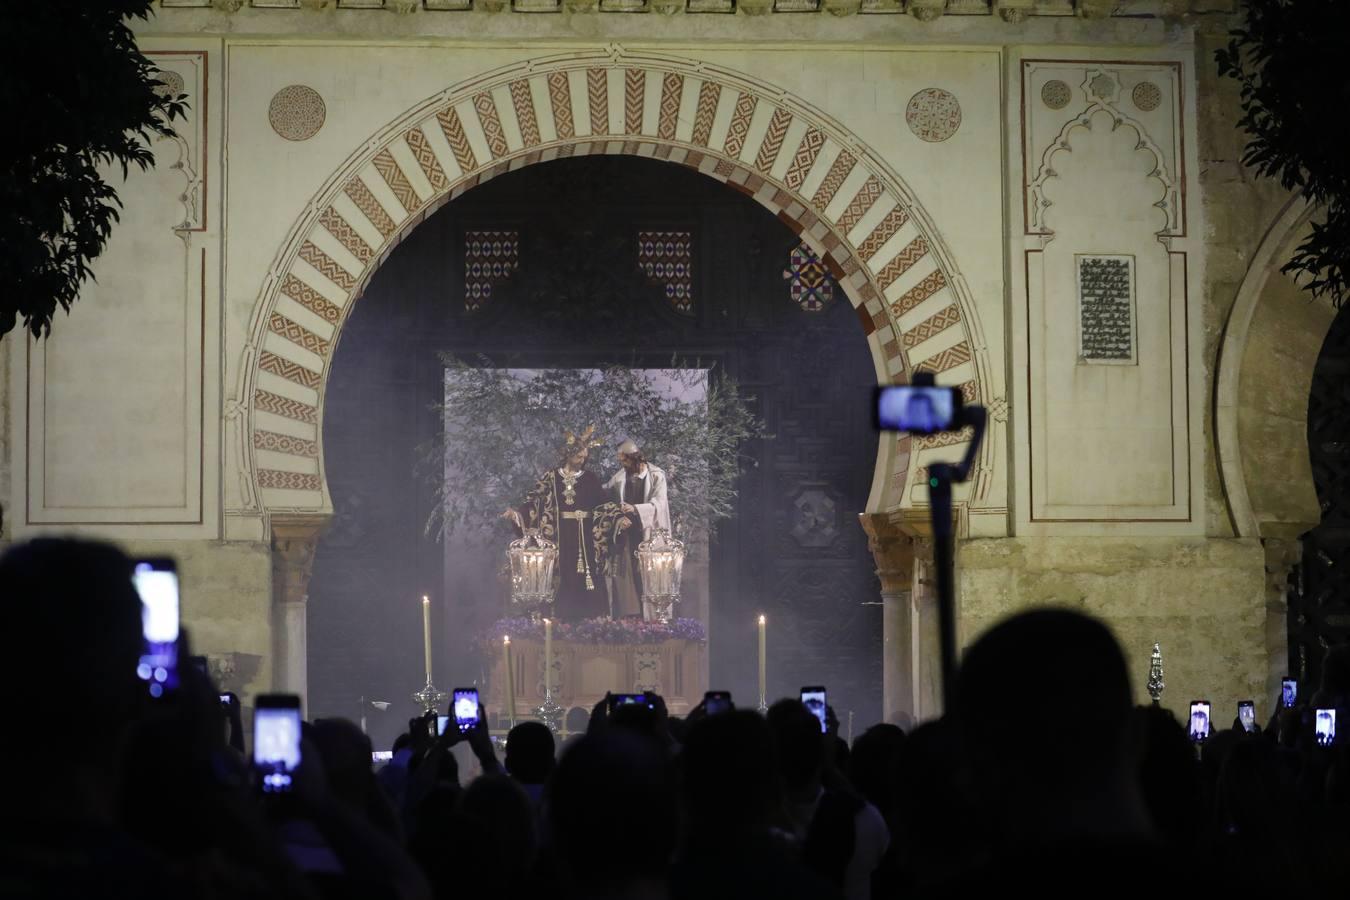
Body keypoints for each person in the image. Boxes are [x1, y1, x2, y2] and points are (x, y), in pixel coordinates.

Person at [503, 425, 610, 620]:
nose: (582, 460)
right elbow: (534, 501)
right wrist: (517, 514)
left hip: (585, 536)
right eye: (579, 457)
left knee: (589, 576)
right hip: (559, 537)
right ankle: (559, 621)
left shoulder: (590, 479)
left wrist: (619, 518)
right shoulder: (552, 477)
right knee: (561, 576)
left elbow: (605, 506)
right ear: (568, 455)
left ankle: (592, 623)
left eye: (584, 457)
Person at [601, 439, 671, 620]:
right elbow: (605, 491)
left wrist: (636, 509)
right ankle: (633, 620)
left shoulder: (656, 476)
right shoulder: (620, 477)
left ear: (635, 458)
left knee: (650, 578)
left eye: (624, 460)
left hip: (649, 536)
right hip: (628, 537)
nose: (622, 464)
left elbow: (660, 504)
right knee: (629, 579)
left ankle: (654, 621)